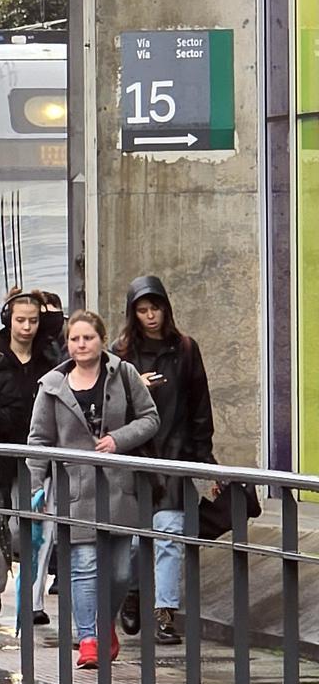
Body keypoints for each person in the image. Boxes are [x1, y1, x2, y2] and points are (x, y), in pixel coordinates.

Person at [27, 310, 159, 669]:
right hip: (75, 489)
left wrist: (119, 439)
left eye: (88, 338)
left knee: (120, 571)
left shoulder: (123, 374)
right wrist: (36, 486)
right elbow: (38, 440)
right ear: (67, 343)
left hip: (118, 486)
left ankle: (103, 626)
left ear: (102, 339)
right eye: (75, 339)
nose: (81, 345)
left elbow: (150, 418)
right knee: (84, 565)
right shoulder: (52, 386)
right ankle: (88, 638)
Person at [113, 276, 215, 645]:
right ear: (133, 314)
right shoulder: (121, 353)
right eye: (142, 310)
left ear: (165, 309)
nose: (150, 316)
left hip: (174, 455)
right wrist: (134, 386)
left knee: (169, 534)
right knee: (136, 541)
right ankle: (133, 591)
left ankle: (165, 614)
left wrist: (204, 459)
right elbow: (108, 410)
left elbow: (200, 405)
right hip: (134, 458)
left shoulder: (185, 348)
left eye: (155, 308)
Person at [0, 289, 62, 624]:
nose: (27, 327)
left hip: (38, 451)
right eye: (20, 320)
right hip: (1, 450)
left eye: (33, 321)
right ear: (8, 320)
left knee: (37, 526)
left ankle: (32, 600)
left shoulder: (49, 354)